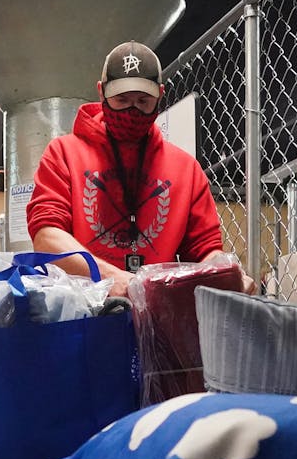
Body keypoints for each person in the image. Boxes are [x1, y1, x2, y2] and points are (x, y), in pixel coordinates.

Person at [26, 40, 255, 296]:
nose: (132, 110)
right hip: (82, 313)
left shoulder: (186, 170)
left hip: (156, 312)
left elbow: (205, 249)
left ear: (160, 94)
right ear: (101, 92)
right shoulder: (64, 153)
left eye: (143, 101)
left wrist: (225, 273)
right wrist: (113, 279)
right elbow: (46, 237)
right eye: (122, 99)